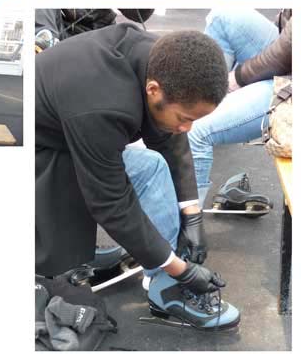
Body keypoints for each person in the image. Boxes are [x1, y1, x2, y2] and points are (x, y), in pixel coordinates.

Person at [35, 24, 240, 330]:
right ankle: (168, 285)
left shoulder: (161, 60)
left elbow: (172, 137)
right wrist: (178, 268)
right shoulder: (101, 105)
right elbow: (112, 203)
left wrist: (192, 213)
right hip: (37, 146)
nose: (188, 129)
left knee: (153, 166)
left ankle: (161, 270)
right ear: (153, 90)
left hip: (70, 126)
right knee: (132, 177)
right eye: (185, 118)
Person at [187, 9, 292, 207]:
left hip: (291, 85)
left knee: (194, 130)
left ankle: (188, 223)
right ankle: (204, 102)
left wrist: (239, 78)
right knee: (223, 15)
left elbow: (286, 54)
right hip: (286, 46)